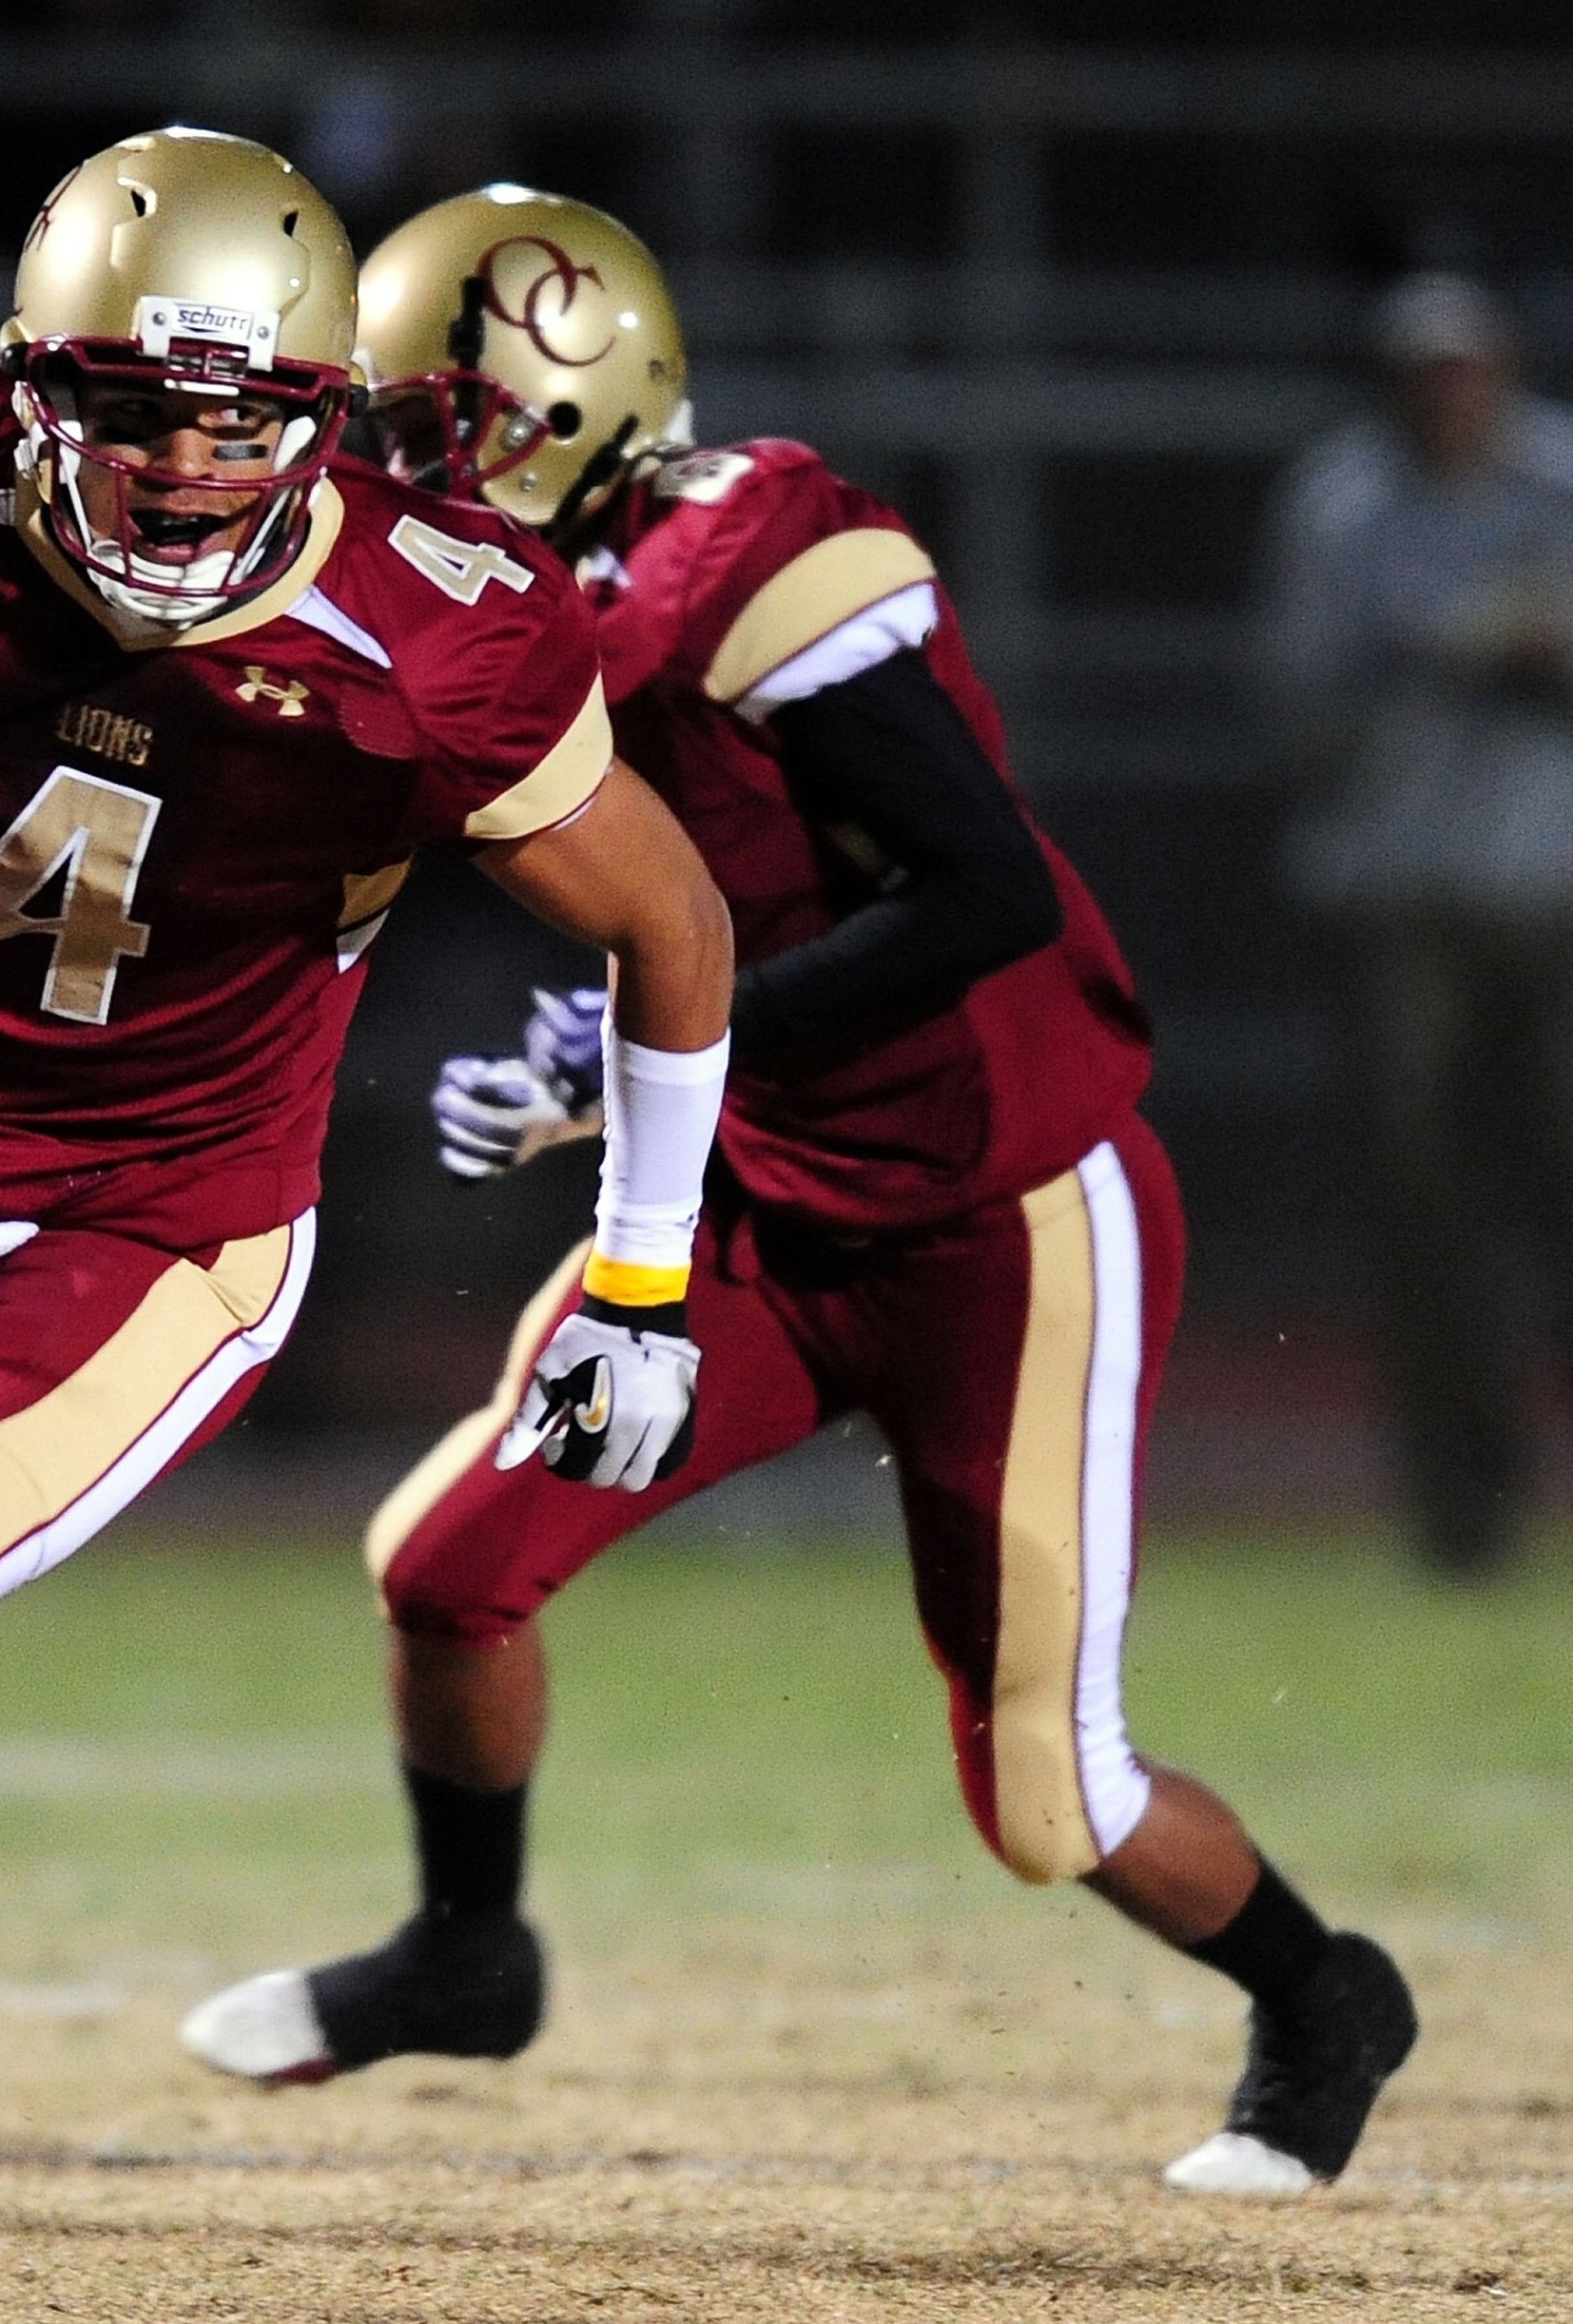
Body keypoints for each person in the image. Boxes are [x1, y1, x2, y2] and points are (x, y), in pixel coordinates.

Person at [183, 185, 1417, 2200]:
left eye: (421, 424)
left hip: (1003, 1215)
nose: (391, 471)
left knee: (1044, 1791)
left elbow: (981, 888)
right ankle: (468, 1951)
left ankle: (1325, 1991)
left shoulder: (747, 557)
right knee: (445, 1567)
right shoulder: (526, 592)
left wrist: (649, 1046)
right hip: (764, 1191)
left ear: (557, 393)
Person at [0, 133, 736, 2303]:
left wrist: (641, 1273)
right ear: (31, 386)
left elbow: (672, 921)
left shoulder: (431, 628)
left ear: (324, 416)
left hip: (161, 1216)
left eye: (239, 422)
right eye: (136, 412)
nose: (181, 467)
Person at [1262, 271, 1573, 1579]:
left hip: (1550, 891)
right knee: (1429, 1209)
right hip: (1399, 900)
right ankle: (1463, 1509)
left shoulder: (1558, 483)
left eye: (1467, 371)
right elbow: (1297, 701)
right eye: (1426, 375)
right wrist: (1448, 646)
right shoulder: (1344, 506)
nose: (1450, 397)